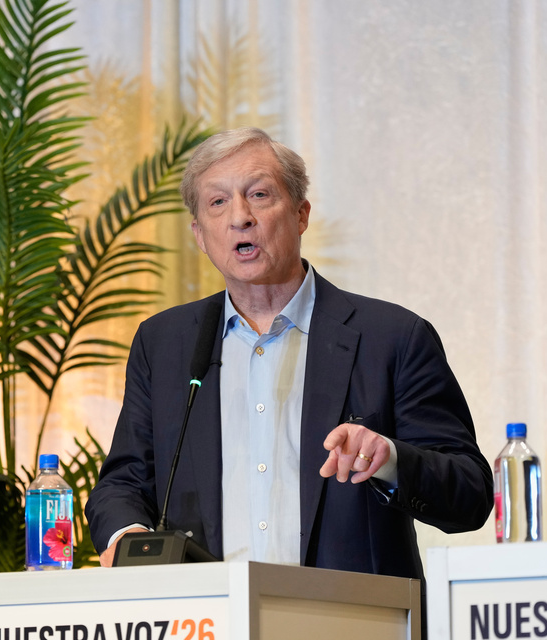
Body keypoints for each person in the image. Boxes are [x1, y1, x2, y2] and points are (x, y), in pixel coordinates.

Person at [85, 127, 493, 580]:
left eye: (259, 195)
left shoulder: (392, 337)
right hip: (206, 631)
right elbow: (121, 483)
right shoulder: (164, 344)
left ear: (301, 214)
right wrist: (126, 536)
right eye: (218, 202)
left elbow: (470, 495)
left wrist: (391, 459)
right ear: (200, 235)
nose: (240, 217)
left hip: (352, 628)